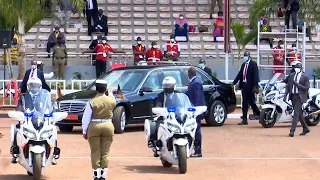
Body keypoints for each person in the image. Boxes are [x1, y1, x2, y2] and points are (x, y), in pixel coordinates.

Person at [82, 80, 116, 180]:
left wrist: (84, 131)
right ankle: (104, 174)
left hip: (94, 125)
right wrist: (110, 93)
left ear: (96, 89)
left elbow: (86, 118)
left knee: (95, 151)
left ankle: (97, 173)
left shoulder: (92, 102)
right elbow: (113, 100)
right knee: (105, 152)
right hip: (108, 125)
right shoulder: (111, 100)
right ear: (105, 89)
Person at [149, 76, 182, 157]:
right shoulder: (161, 95)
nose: (167, 87)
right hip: (164, 116)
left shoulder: (178, 94)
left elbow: (182, 105)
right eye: (165, 85)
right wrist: (160, 111)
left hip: (177, 116)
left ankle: (193, 142)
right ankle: (157, 146)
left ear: (174, 85)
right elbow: (158, 105)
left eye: (169, 85)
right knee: (157, 126)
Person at [231, 51, 260, 125]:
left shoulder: (253, 64)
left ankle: (258, 114)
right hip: (244, 86)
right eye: (244, 56)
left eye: (246, 56)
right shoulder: (243, 65)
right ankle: (244, 119)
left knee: (251, 102)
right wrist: (234, 83)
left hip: (250, 86)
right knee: (244, 103)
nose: (245, 57)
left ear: (249, 56)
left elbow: (256, 76)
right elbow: (240, 74)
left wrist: (255, 86)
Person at [283, 62, 310, 137]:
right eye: (295, 67)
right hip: (293, 96)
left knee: (296, 113)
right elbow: (288, 86)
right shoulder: (292, 75)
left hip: (300, 97)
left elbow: (306, 88)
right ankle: (305, 128)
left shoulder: (305, 77)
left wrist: (297, 85)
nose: (296, 69)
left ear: (301, 68)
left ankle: (292, 131)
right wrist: (285, 96)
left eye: (297, 67)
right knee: (299, 114)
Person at [186, 67, 206, 157]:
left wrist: (195, 110)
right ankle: (192, 149)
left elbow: (197, 98)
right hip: (193, 110)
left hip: (196, 111)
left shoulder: (196, 82)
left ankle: (198, 151)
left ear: (189, 74)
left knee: (196, 130)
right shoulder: (193, 82)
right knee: (193, 129)